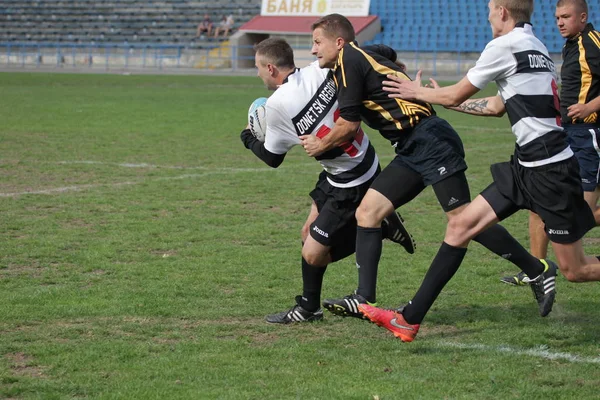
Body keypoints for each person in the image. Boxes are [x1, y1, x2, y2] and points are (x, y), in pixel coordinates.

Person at [359, 0, 600, 342]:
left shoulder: (504, 46)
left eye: (490, 10)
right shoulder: (534, 45)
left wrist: (418, 92)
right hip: (526, 165)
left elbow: (458, 91)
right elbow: (497, 105)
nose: (487, 17)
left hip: (550, 171)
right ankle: (408, 320)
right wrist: (447, 101)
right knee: (460, 225)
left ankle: (409, 318)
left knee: (575, 269)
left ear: (502, 11)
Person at [301, 13, 556, 324]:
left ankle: (537, 269)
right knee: (367, 212)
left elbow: (348, 124)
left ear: (338, 42)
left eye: (317, 42)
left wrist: (320, 144)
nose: (313, 50)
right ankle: (363, 298)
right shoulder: (353, 58)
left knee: (464, 221)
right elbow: (384, 57)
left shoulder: (349, 59)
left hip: (431, 141)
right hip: (411, 147)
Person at [240, 37, 415, 324]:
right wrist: (392, 60)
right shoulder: (319, 70)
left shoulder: (278, 104)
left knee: (312, 252)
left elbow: (273, 158)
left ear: (270, 68)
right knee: (307, 231)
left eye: (258, 67)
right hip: (352, 164)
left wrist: (247, 136)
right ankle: (310, 306)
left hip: (350, 180)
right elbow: (370, 50)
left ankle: (378, 229)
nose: (257, 73)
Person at [502, 0, 600, 285]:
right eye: (557, 17)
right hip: (565, 135)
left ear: (583, 17)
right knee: (539, 204)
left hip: (586, 135)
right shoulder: (571, 44)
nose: (559, 22)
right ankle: (536, 269)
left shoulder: (592, 43)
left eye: (566, 17)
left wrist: (589, 106)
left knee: (575, 215)